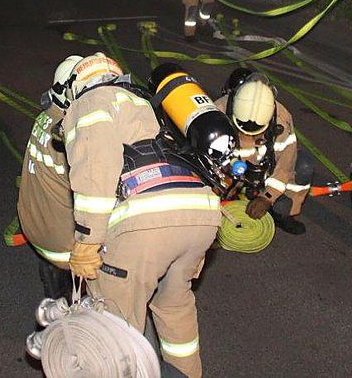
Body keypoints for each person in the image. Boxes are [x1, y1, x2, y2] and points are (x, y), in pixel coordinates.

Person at [63, 53, 221, 377]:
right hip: (200, 211)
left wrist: (87, 241)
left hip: (145, 223)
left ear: (78, 85)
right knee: (175, 307)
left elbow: (97, 166)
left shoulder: (90, 102)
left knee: (115, 324)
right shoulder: (141, 103)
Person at [214, 68, 313, 235]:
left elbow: (285, 166)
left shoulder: (282, 119)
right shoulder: (217, 111)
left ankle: (284, 214)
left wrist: (267, 197)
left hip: (263, 171)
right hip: (227, 172)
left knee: (304, 165)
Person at [17, 55, 82, 304]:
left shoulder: (45, 118)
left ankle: (56, 300)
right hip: (62, 245)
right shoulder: (71, 132)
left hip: (35, 229)